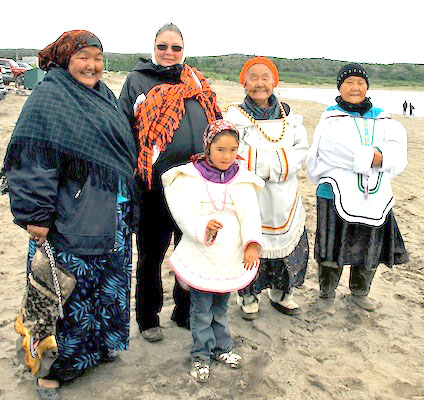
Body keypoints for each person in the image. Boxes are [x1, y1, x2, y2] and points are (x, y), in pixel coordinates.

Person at [2, 30, 137, 399]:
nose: (92, 65)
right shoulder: (50, 96)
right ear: (65, 59)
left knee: (106, 288)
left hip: (111, 213)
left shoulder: (103, 94)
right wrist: (36, 215)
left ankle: (97, 351)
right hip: (68, 218)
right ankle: (50, 371)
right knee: (61, 294)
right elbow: (32, 161)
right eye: (84, 57)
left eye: (98, 58)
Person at [119, 23, 222, 341]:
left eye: (175, 47)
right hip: (154, 186)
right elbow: (123, 129)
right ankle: (148, 318)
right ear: (153, 48)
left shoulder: (194, 80)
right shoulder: (137, 81)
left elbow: (215, 120)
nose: (169, 53)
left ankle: (183, 311)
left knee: (189, 251)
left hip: (194, 186)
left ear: (183, 50)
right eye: (163, 46)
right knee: (151, 254)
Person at [161, 120, 264, 383]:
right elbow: (184, 212)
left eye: (232, 150)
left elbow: (250, 214)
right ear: (208, 147)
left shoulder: (242, 179)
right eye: (220, 149)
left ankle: (223, 347)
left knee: (221, 305)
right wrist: (203, 225)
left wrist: (251, 243)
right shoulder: (191, 176)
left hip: (229, 255)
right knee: (201, 308)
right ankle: (200, 354)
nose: (226, 156)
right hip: (202, 254)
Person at [306, 63, 409, 315]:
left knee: (369, 243)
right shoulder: (331, 119)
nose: (355, 87)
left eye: (360, 83)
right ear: (340, 87)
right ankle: (326, 293)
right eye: (349, 82)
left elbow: (398, 148)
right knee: (332, 244)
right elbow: (331, 150)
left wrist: (379, 158)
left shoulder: (384, 119)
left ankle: (360, 292)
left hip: (375, 193)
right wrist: (373, 158)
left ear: (367, 87)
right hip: (334, 191)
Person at [225, 56, 309, 319]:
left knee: (289, 244)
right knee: (249, 241)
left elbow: (300, 149)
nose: (260, 84)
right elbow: (234, 151)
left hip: (286, 194)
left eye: (265, 77)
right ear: (244, 83)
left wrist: (280, 166)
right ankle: (248, 294)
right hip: (251, 192)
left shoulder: (289, 115)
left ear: (274, 82)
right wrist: (271, 164)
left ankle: (282, 293)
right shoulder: (235, 116)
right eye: (253, 78)